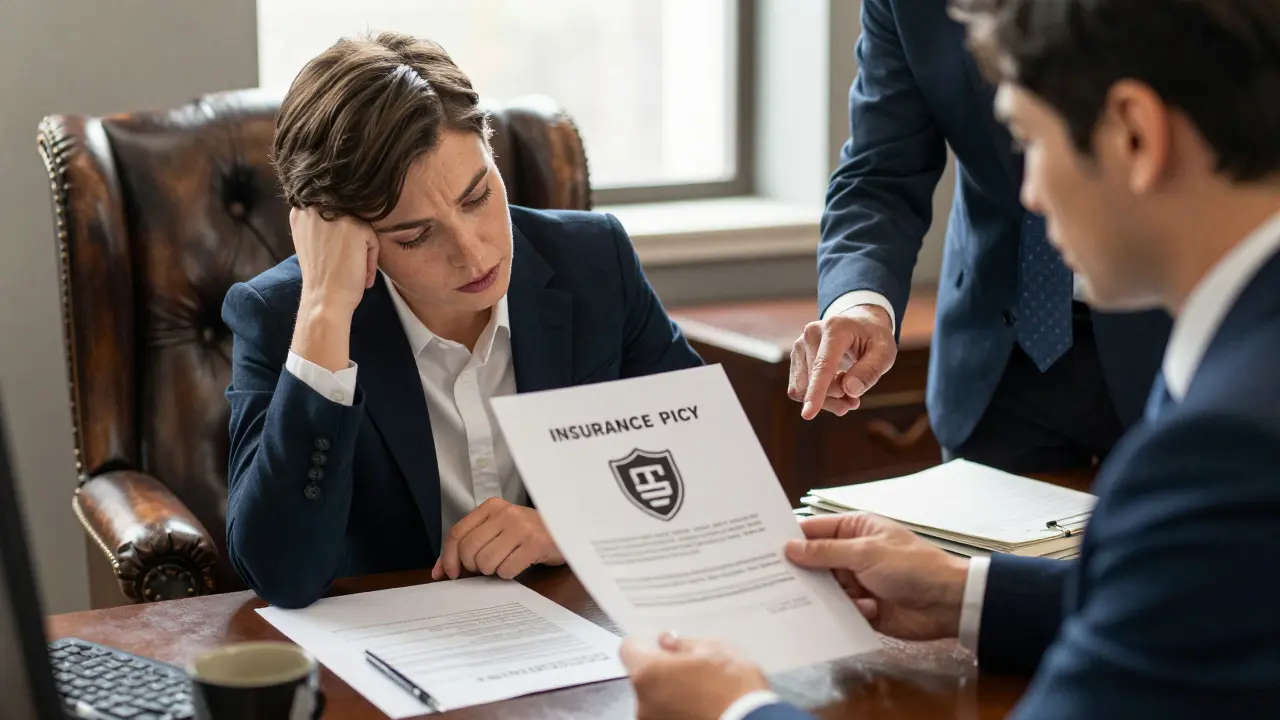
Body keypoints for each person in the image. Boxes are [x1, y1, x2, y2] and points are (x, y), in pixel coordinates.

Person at [622, 0, 1280, 717]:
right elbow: (1187, 603)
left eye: (1030, 140)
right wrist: (959, 590)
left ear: (1134, 135)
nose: (1025, 193)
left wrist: (736, 709)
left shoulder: (1222, 449)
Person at [222, 33, 702, 608]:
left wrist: (571, 528)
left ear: (491, 153)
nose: (474, 255)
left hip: (587, 635)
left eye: (476, 198)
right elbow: (281, 575)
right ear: (347, 234)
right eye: (416, 235)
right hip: (397, 659)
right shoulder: (283, 318)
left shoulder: (594, 262)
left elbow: (707, 464)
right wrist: (326, 309)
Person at [787, 0, 1172, 473]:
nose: (1035, 195)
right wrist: (861, 304)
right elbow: (880, 171)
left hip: (1169, 346)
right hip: (997, 363)